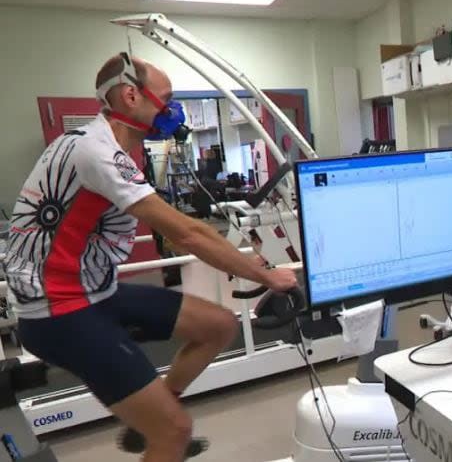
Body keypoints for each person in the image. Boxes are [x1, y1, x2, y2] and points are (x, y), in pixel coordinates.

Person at [2, 52, 297, 462]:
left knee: (219, 324)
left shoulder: (120, 146)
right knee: (175, 433)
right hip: (57, 312)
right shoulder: (96, 151)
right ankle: (161, 428)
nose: (173, 109)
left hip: (96, 292)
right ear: (130, 96)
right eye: (168, 97)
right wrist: (267, 276)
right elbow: (188, 233)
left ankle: (156, 413)